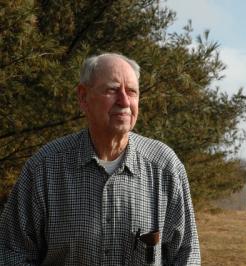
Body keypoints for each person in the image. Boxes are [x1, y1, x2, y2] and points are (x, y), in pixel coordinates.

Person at [0, 53, 201, 265]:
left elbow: (186, 256)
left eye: (132, 91)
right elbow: (12, 252)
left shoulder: (164, 167)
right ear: (83, 97)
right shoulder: (45, 168)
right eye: (112, 90)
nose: (124, 101)